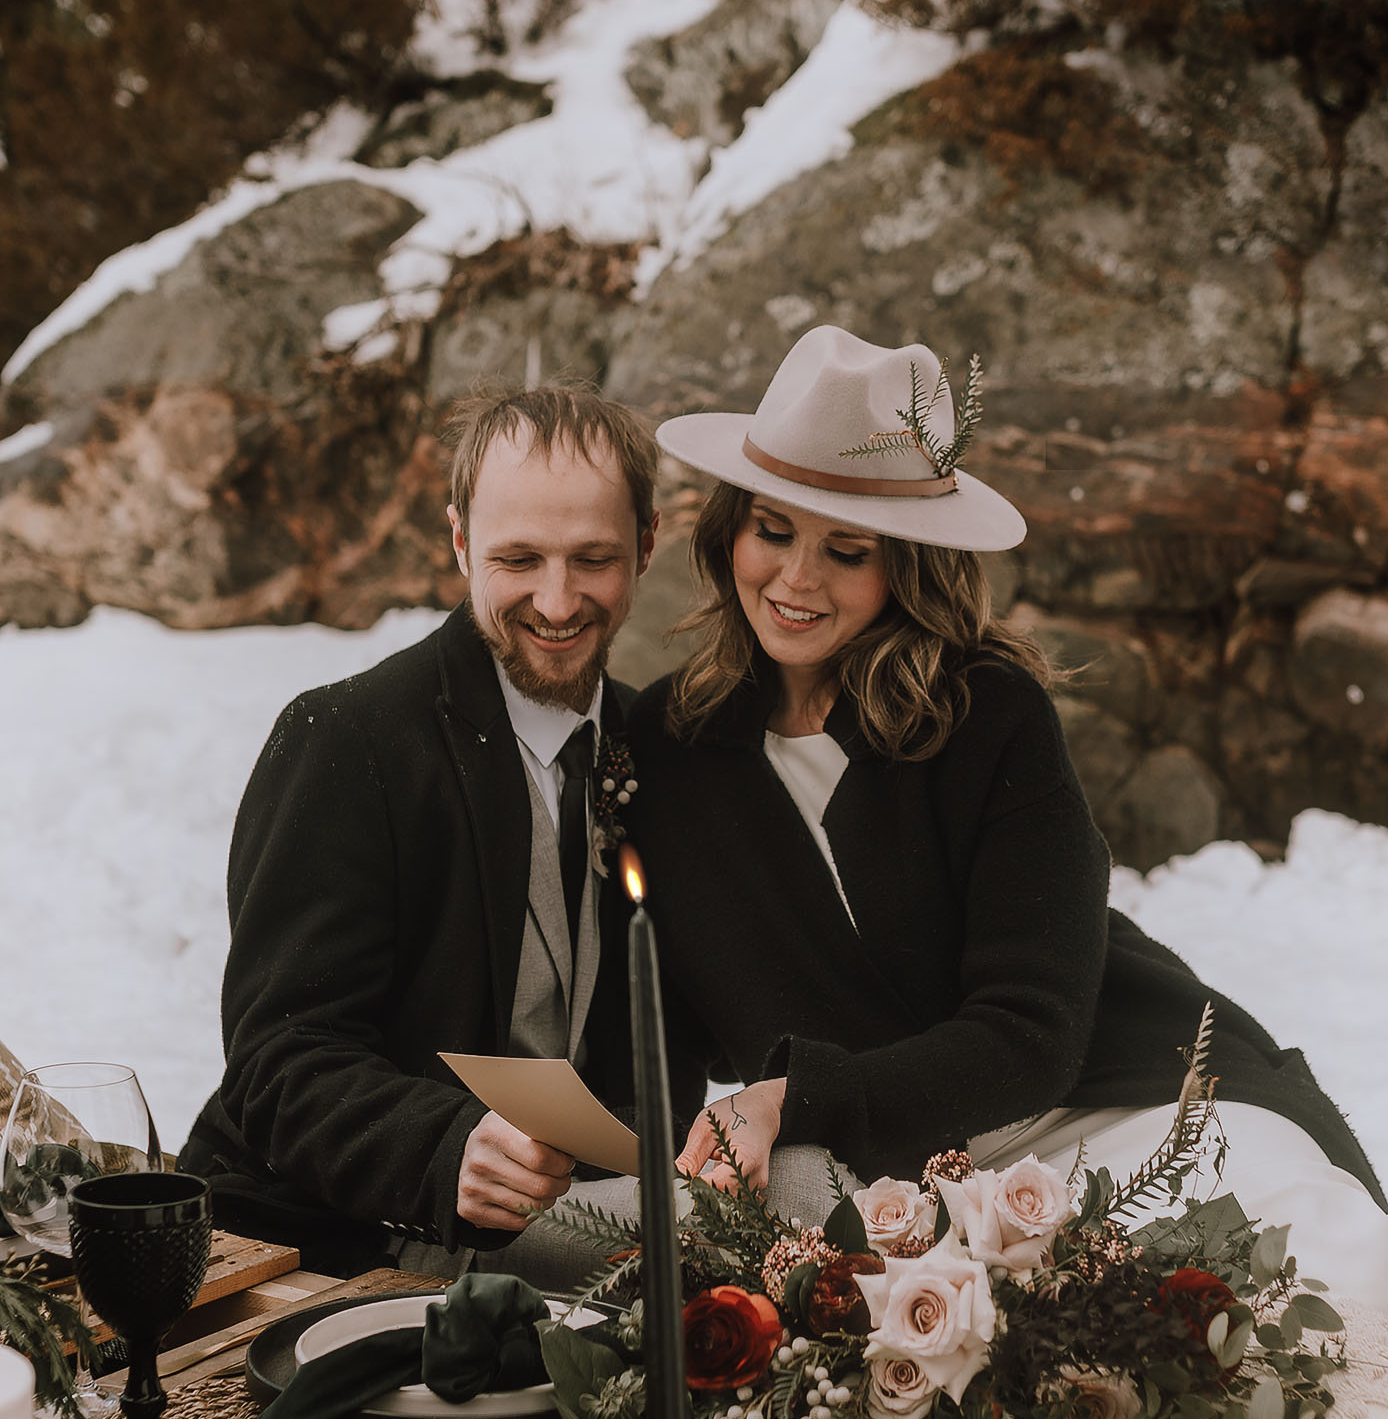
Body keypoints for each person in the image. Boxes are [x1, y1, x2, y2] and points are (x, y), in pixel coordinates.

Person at [626, 324, 1388, 1313]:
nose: (794, 579)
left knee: (1285, 1314)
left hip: (1121, 1110)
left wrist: (790, 1097)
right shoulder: (670, 741)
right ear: (727, 525)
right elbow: (670, 997)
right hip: (894, 1168)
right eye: (771, 529)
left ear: (904, 565)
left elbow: (1032, 1032)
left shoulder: (984, 712)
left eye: (844, 550)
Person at [180, 382, 684, 1278]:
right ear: (458, 539)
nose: (559, 602)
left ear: (647, 544)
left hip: (583, 1231)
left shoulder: (664, 750)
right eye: (519, 558)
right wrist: (445, 1148)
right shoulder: (346, 738)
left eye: (593, 559)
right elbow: (277, 1060)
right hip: (327, 1242)